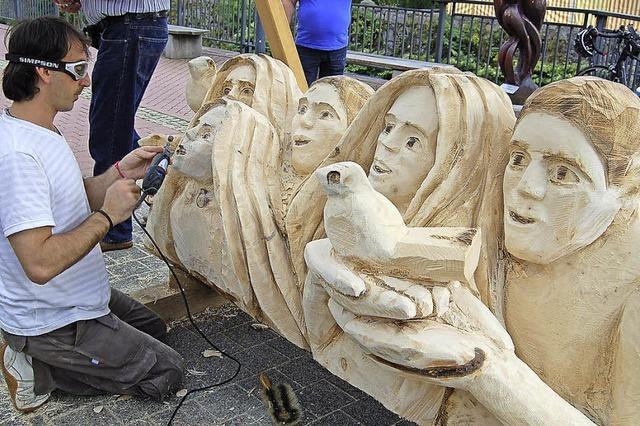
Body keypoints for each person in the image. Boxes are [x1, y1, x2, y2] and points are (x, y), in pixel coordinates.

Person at [0, 17, 184, 413]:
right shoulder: (17, 155)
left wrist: (120, 171)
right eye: (79, 69)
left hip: (77, 295)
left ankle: (62, 351)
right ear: (43, 72)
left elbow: (71, 197)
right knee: (166, 371)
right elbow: (39, 263)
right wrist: (107, 215)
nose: (87, 81)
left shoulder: (42, 129)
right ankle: (35, 364)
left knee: (155, 329)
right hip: (51, 317)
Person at [56, 0, 169, 252]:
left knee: (109, 129)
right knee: (116, 125)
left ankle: (116, 230)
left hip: (130, 26)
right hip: (128, 26)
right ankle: (164, 168)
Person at [282, 0, 352, 86]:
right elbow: (289, 2)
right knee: (302, 90)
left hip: (337, 48)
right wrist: (284, 33)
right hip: (306, 46)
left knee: (332, 94)